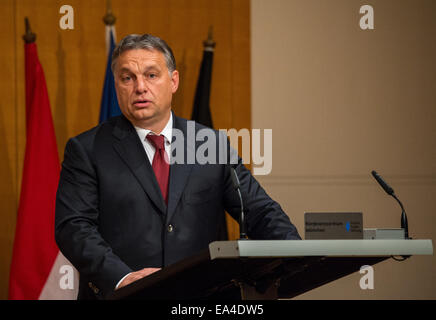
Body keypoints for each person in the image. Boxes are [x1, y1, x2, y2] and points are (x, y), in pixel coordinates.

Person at [55, 34, 301, 300]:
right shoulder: (88, 149)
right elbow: (74, 227)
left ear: (173, 81)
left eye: (151, 75)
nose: (140, 87)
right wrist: (122, 277)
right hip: (123, 296)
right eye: (128, 78)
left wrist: (299, 258)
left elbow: (258, 211)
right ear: (117, 85)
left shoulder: (210, 144)